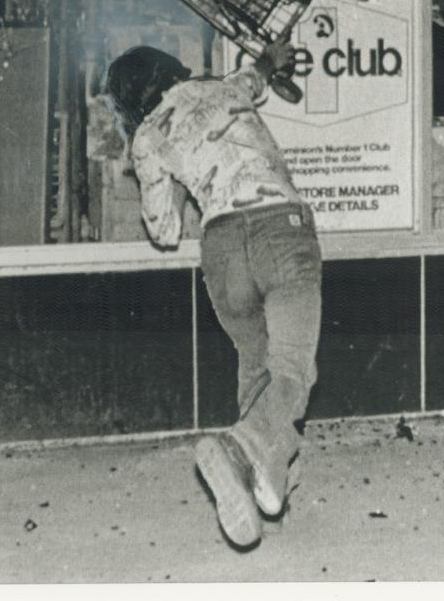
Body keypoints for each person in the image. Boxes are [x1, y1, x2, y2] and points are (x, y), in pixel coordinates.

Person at [104, 40, 320, 548]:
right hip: (281, 230)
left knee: (257, 368)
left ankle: (268, 484)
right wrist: (271, 58)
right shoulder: (222, 89)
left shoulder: (148, 136)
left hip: (222, 249)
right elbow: (254, 76)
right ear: (170, 67)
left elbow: (164, 231)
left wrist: (177, 179)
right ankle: (244, 446)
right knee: (292, 368)